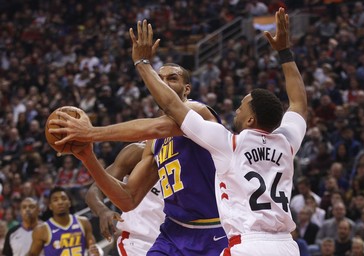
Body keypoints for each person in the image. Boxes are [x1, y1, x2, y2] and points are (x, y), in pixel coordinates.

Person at [128, 7, 307, 255]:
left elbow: (171, 106)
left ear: (251, 119)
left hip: (248, 243)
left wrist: (142, 63)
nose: (236, 110)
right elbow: (298, 103)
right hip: (287, 245)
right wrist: (285, 53)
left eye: (241, 107)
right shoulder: (287, 142)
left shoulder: (228, 144)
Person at [49, 52, 227, 256]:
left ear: (187, 89)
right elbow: (128, 199)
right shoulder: (153, 144)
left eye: (172, 78)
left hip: (211, 230)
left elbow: (159, 126)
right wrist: (87, 156)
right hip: (172, 232)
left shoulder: (199, 111)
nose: (164, 83)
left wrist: (91, 133)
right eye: (159, 79)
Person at [85, 142, 165, 255]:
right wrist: (103, 211)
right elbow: (94, 191)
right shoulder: (138, 152)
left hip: (177, 240)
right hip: (140, 243)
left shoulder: (193, 156)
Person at [27, 186, 102, 256]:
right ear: (50, 206)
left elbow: (92, 248)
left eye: (63, 198)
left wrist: (95, 252)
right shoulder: (41, 230)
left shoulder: (83, 222)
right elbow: (32, 254)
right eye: (55, 200)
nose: (60, 202)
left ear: (69, 202)